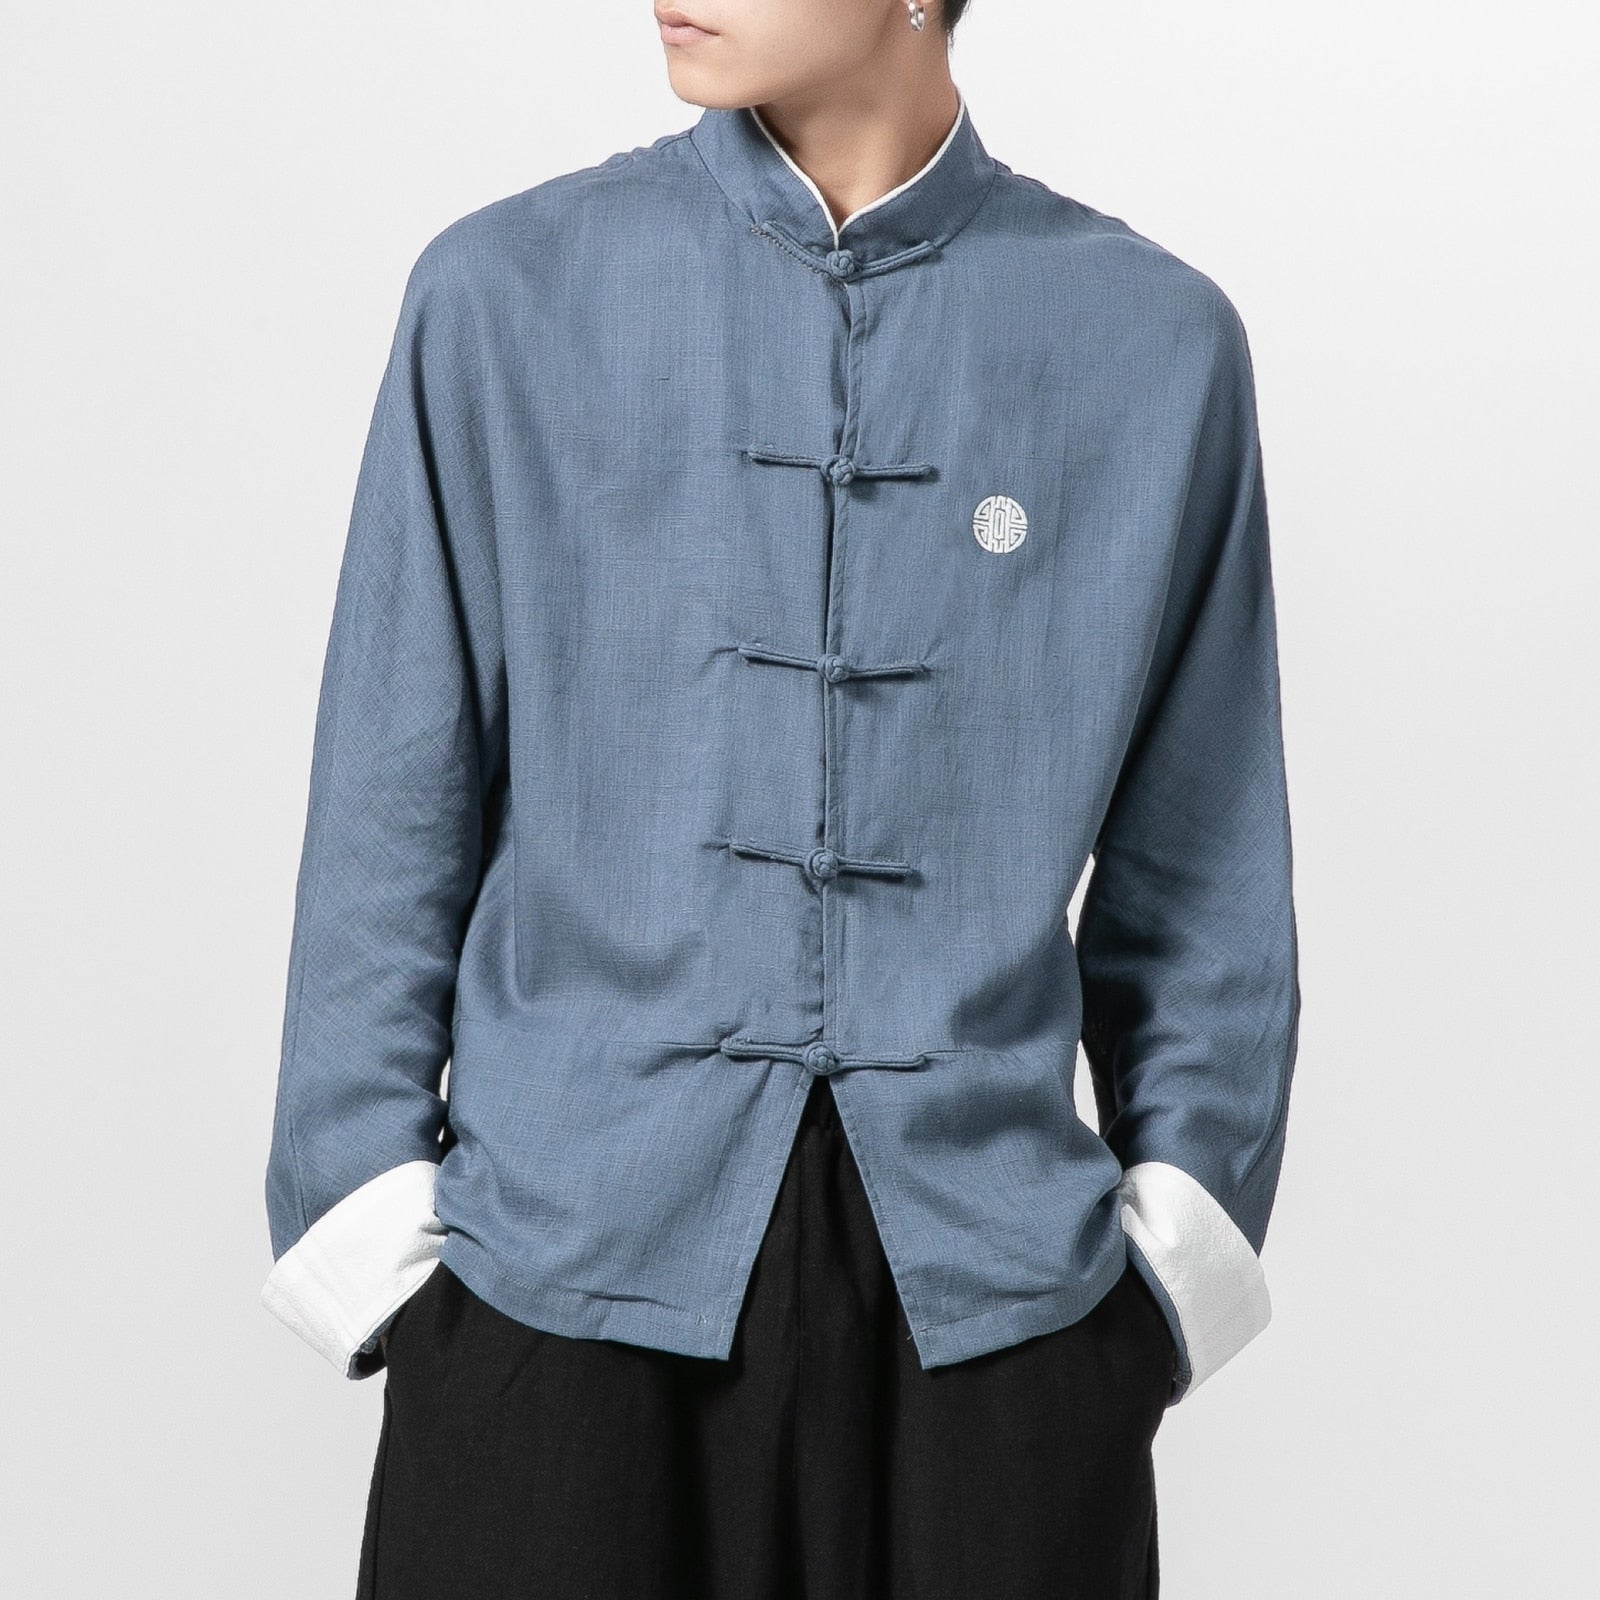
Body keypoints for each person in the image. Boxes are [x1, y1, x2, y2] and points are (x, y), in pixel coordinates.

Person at [259, 2, 1301, 1595]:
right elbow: (385, 818)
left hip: (994, 1331)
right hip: (551, 1300)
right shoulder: (504, 296)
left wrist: (1150, 1300)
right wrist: (397, 1269)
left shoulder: (1154, 345)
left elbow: (1206, 875)